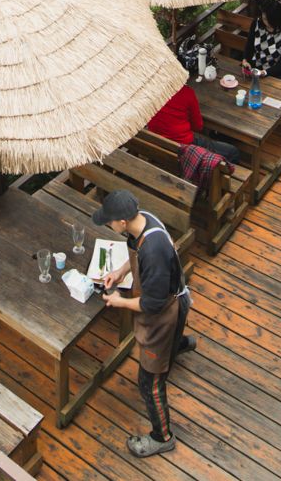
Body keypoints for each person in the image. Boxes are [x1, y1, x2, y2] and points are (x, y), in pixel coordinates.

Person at [99, 188, 192, 459]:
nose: (108, 224)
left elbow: (151, 304)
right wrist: (119, 272)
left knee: (149, 382)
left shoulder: (153, 250)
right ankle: (180, 343)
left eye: (109, 221)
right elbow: (136, 257)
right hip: (173, 302)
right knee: (167, 346)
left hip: (165, 313)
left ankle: (162, 437)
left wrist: (118, 302)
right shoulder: (144, 221)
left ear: (123, 222)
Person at [145, 79, 246, 165]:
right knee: (233, 152)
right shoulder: (186, 92)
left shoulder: (150, 91)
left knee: (208, 138)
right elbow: (198, 127)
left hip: (156, 142)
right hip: (183, 147)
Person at [243, 0, 281, 80]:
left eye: (268, 20)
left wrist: (264, 72)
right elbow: (249, 46)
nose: (265, 22)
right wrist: (245, 61)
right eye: (264, 18)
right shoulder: (257, 24)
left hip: (274, 73)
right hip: (255, 68)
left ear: (276, 19)